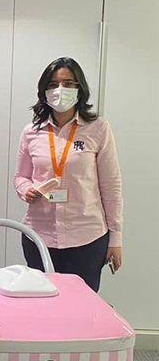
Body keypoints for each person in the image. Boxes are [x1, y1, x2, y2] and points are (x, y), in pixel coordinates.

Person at [14, 57, 122, 292]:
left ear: (79, 89)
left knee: (81, 306)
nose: (60, 90)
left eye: (68, 83)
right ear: (44, 91)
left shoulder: (98, 128)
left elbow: (111, 186)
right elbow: (20, 177)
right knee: (42, 303)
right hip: (39, 236)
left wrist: (116, 239)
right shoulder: (31, 132)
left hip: (87, 237)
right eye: (53, 84)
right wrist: (26, 189)